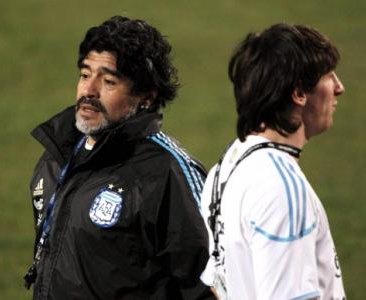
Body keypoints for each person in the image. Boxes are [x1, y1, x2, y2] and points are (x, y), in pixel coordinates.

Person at [24, 15, 214, 300]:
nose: (89, 91)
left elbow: (211, 285)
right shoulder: (58, 156)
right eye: (85, 75)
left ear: (145, 98)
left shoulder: (168, 174)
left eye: (109, 81)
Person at [200, 24, 346, 300]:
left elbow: (217, 284)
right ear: (299, 93)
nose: (339, 87)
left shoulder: (224, 169)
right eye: (329, 76)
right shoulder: (280, 187)